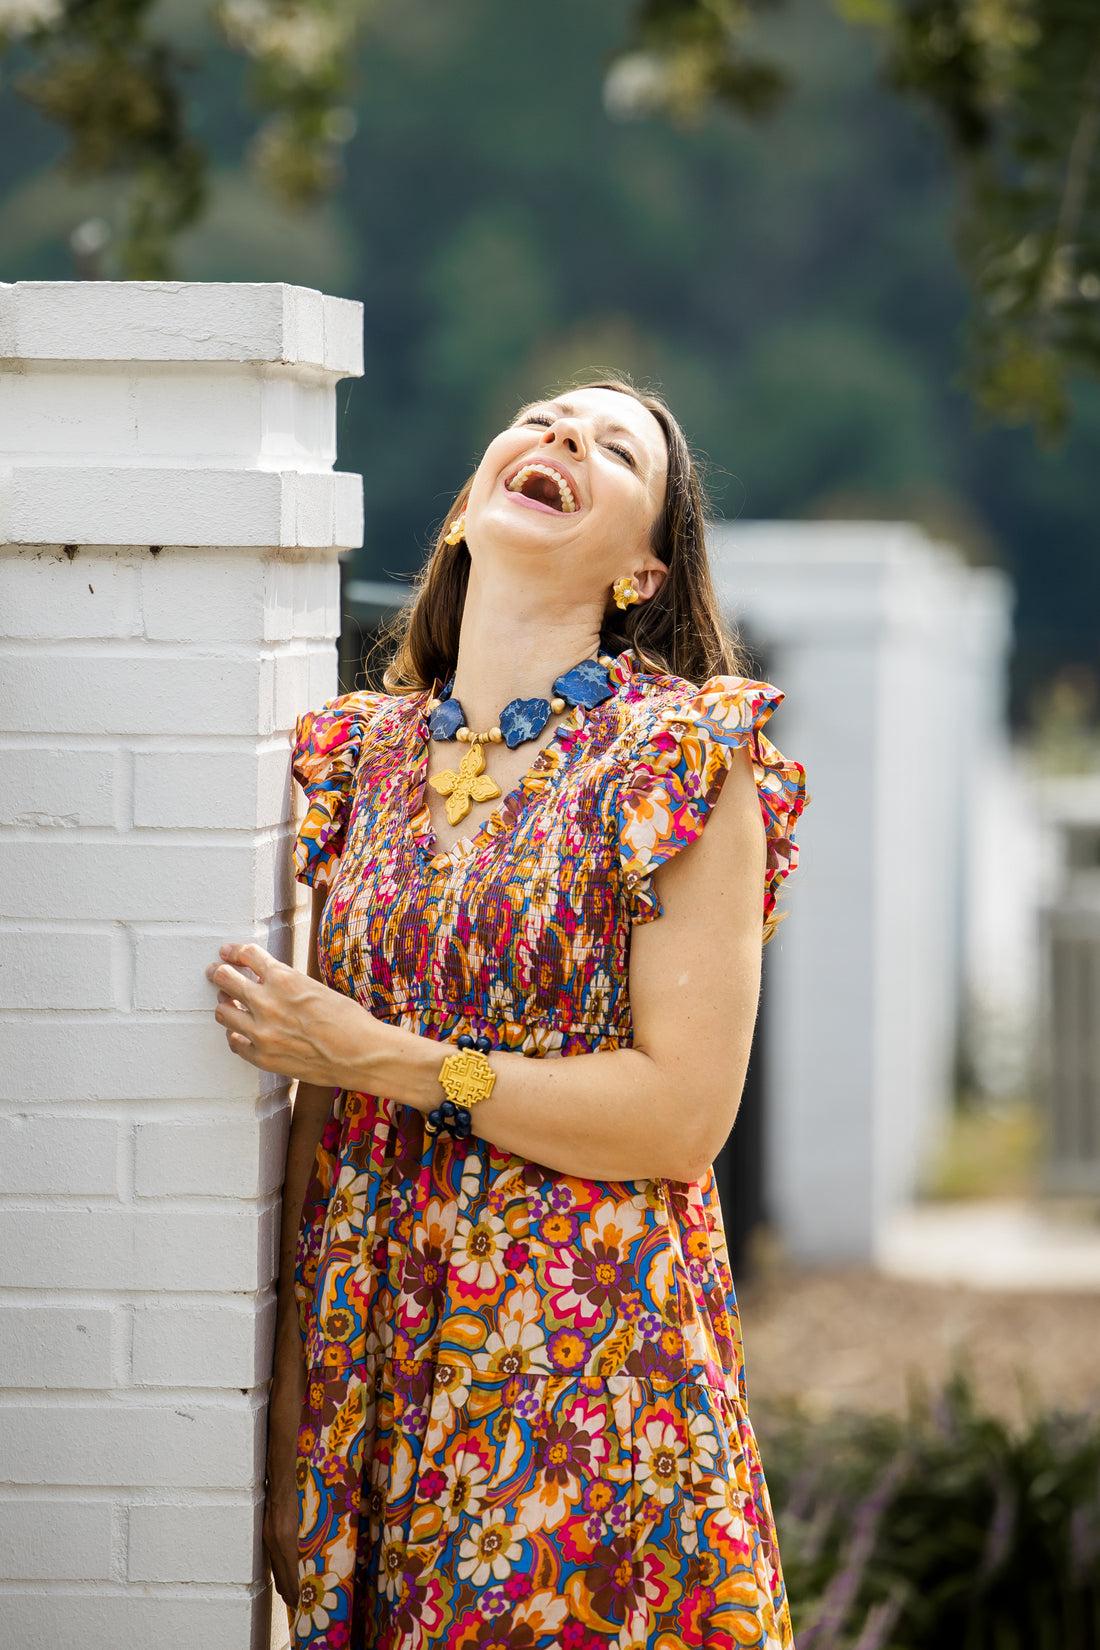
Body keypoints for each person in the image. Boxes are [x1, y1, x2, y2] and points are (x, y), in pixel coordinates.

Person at [207, 379, 807, 1649]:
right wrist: (283, 1432)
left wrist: (396, 1061)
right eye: (544, 418)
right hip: (368, 1359)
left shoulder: (682, 757)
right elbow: (317, 1099)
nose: (564, 439)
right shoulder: (347, 759)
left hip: (585, 1356)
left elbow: (678, 1120)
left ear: (643, 571)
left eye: (613, 446)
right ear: (467, 510)